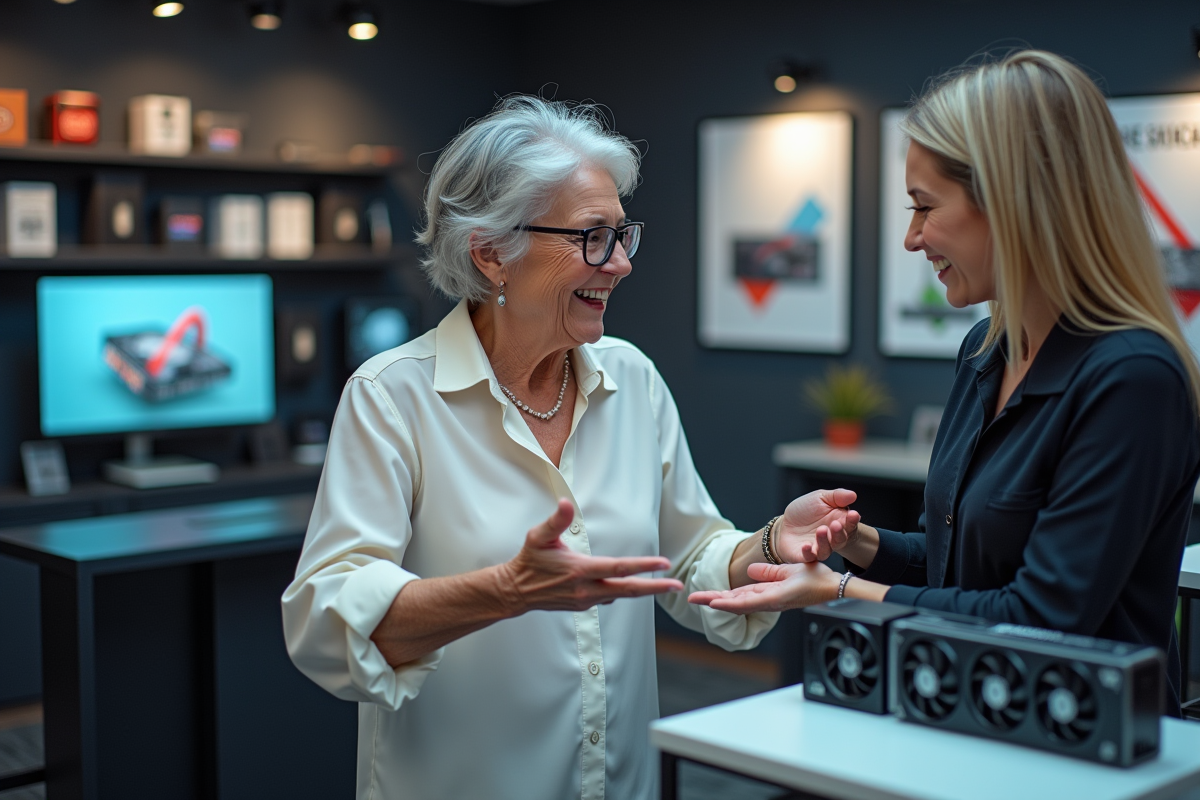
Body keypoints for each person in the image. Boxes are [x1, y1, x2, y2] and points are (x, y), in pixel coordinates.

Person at [281, 96, 858, 800]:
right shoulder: (392, 397)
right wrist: (507, 590)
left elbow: (687, 553)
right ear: (491, 251)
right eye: (592, 237)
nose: (619, 264)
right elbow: (327, 620)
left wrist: (768, 546)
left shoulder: (633, 379)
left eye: (623, 235)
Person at [691, 50, 1200, 716]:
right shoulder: (985, 349)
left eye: (924, 207)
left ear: (1015, 203)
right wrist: (855, 540)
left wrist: (840, 591)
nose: (911, 238)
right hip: (969, 712)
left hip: (1087, 746)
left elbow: (1044, 617)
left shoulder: (1133, 378)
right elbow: (950, 560)